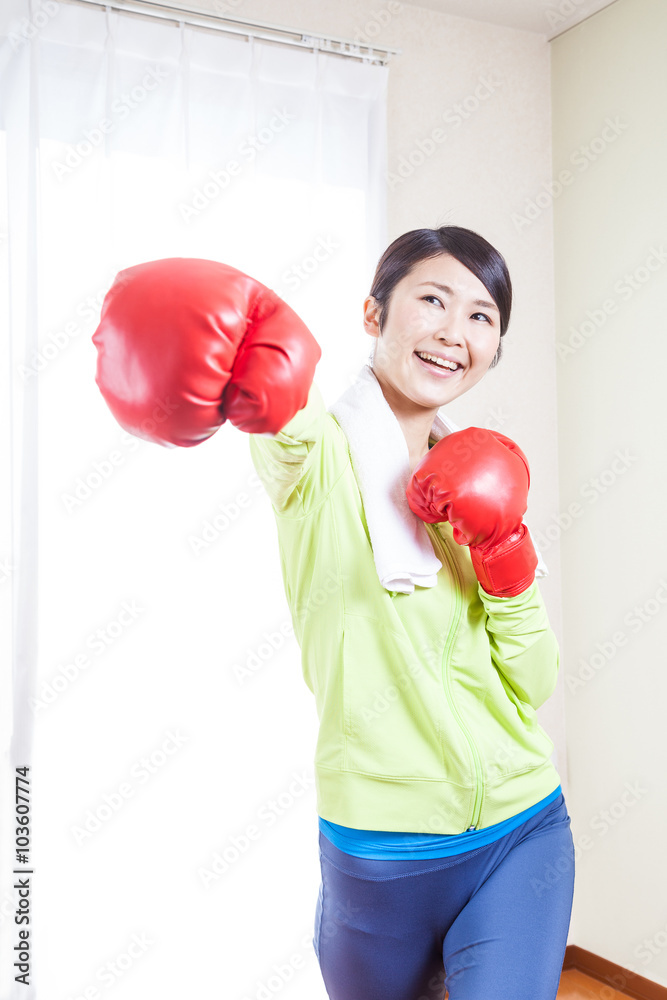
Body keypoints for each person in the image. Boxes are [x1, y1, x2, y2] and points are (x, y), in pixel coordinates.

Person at [92, 226, 575, 1000]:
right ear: (372, 313)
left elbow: (534, 681)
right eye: (432, 300)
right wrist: (254, 350)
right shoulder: (316, 458)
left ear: (493, 348)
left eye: (481, 316)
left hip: (521, 830)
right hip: (379, 857)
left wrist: (506, 557)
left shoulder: (482, 476)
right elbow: (283, 430)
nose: (454, 331)